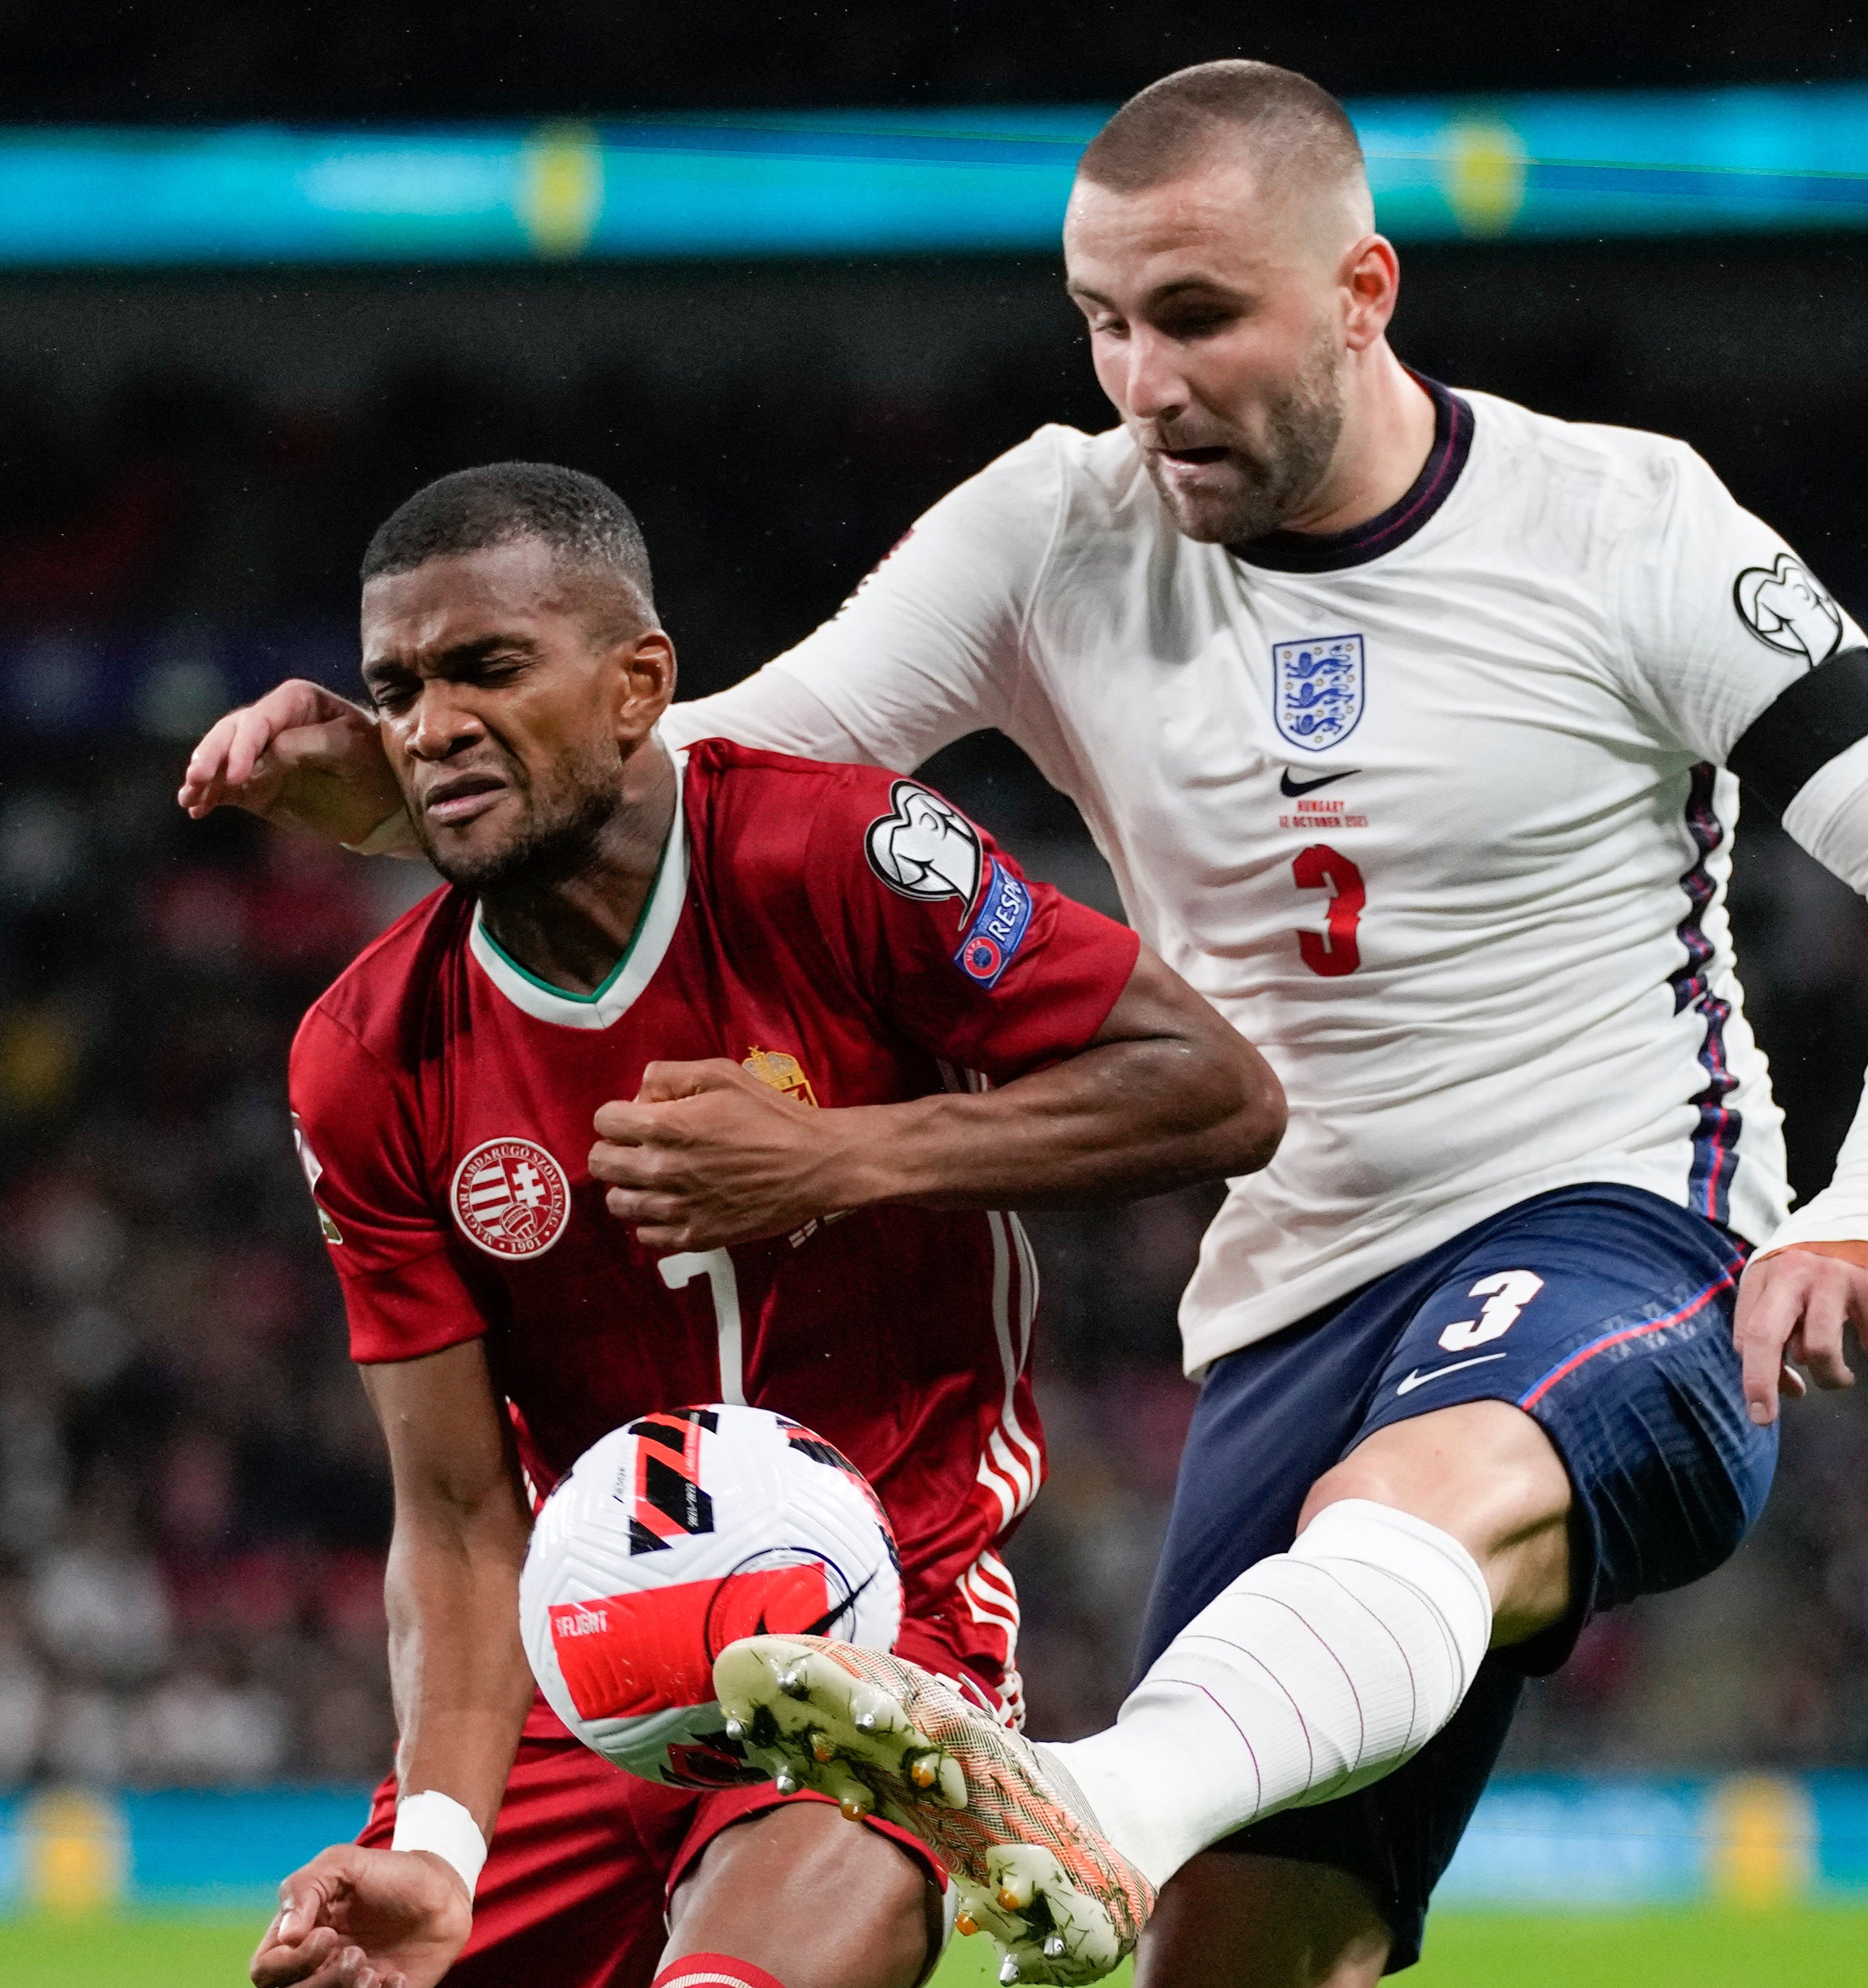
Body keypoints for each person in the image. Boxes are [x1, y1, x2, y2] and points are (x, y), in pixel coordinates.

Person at [183, 62, 1868, 1988]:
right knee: (1233, 1963)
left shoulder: (1623, 525)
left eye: (1195, 317)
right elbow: (701, 767)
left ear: (1363, 291)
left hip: (1612, 1223)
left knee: (1394, 1508)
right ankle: (1115, 1814)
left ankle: (1097, 1798)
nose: (1140, 379)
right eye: (1100, 322)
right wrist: (416, 794)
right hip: (1289, 1304)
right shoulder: (1059, 530)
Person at [243, 464, 1283, 1988]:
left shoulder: (840, 858)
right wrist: (444, 1854)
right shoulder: (364, 1054)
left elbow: (1215, 1088)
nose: (431, 724)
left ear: (638, 684)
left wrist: (838, 1159)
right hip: (572, 1666)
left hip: (879, 1633)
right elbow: (463, 1517)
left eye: (488, 668)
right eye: (396, 687)